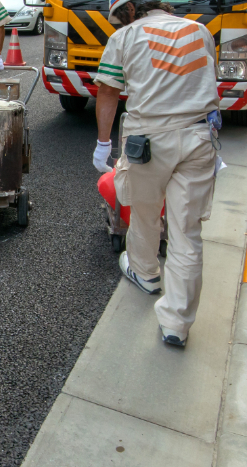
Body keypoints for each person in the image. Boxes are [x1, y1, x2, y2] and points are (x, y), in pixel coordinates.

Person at [93, 0, 220, 346]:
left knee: (146, 212)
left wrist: (103, 144)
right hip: (199, 137)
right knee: (187, 231)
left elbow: (108, 91)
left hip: (149, 141)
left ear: (131, 11)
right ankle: (176, 324)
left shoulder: (126, 37)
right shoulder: (200, 31)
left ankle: (146, 272)